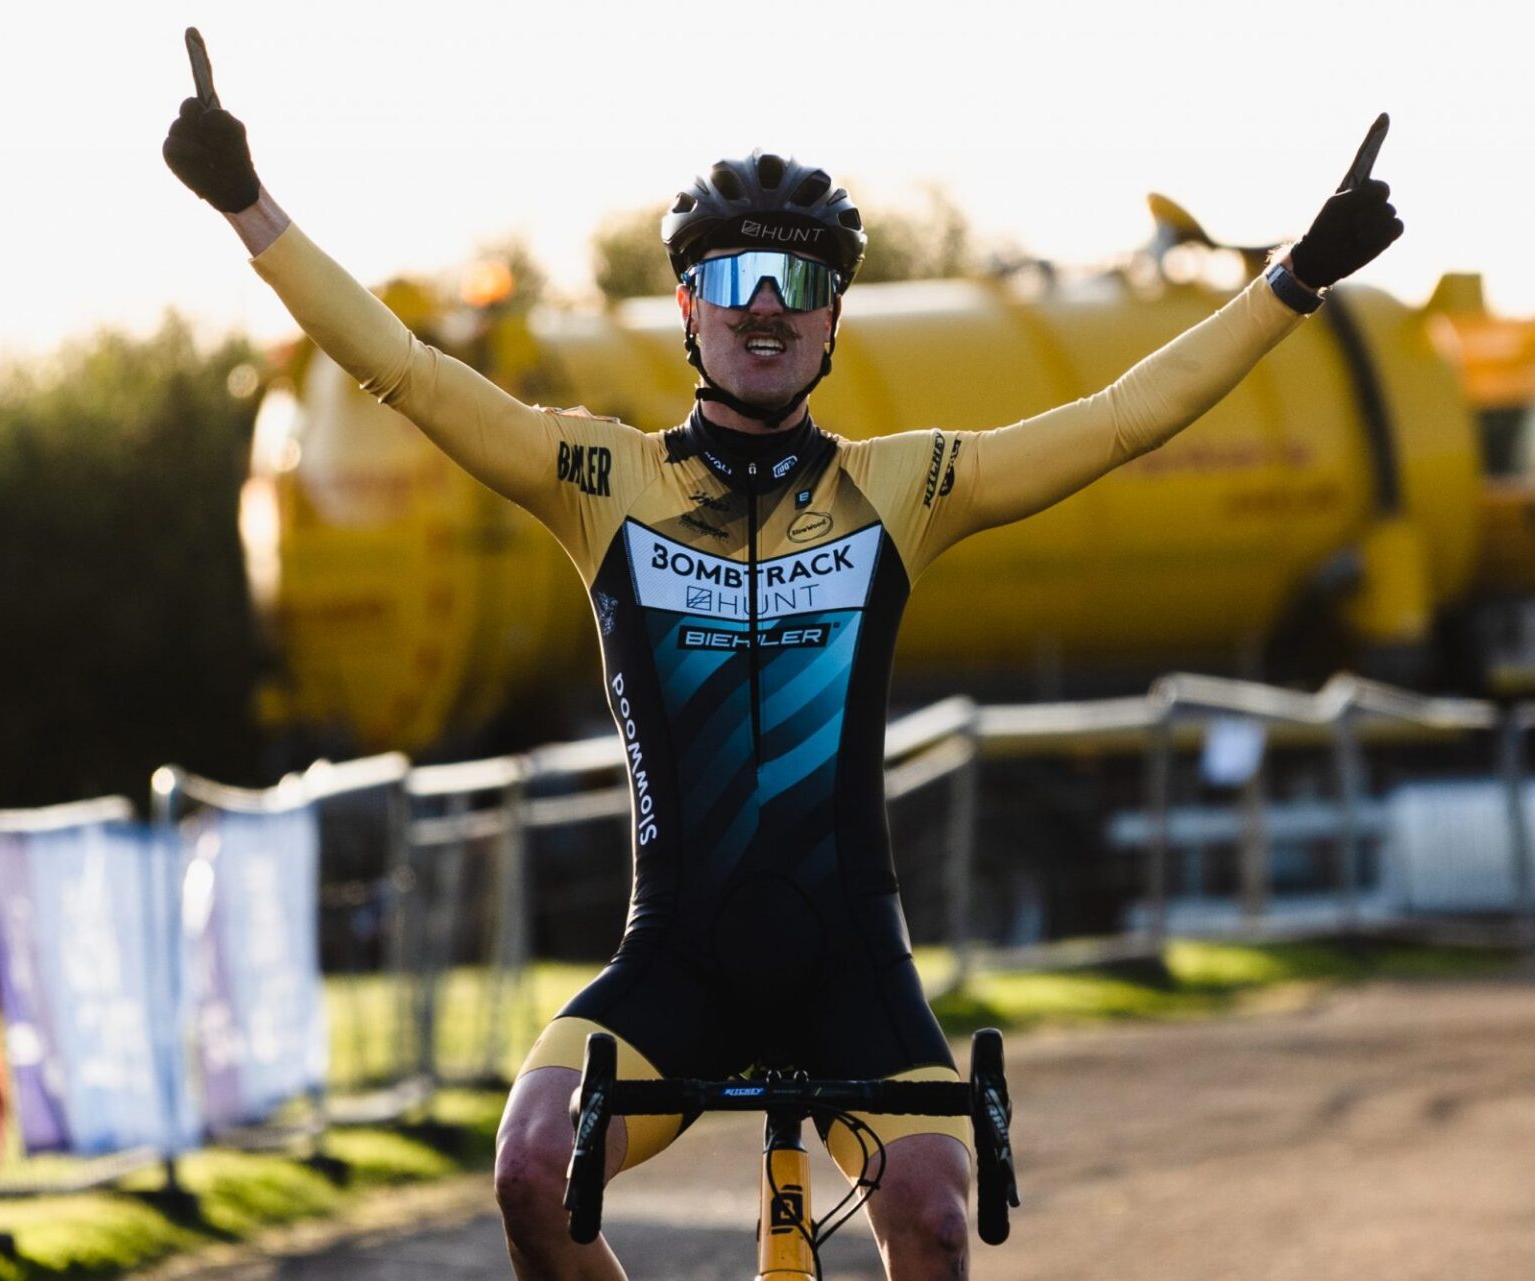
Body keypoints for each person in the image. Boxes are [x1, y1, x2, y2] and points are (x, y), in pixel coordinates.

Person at [164, 51, 1401, 1281]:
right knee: (531, 1172)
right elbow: (403, 370)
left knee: (933, 1217)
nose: (766, 305)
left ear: (832, 321)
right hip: (677, 965)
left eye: (799, 281)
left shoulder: (905, 487)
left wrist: (1293, 281)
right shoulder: (601, 481)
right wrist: (247, 207)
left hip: (849, 964)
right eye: (733, 277)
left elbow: (1124, 419)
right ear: (688, 308)